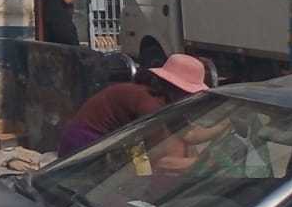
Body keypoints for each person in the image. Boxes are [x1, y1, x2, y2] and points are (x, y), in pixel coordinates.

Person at [57, 53, 209, 158]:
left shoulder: (159, 99)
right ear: (176, 89)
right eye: (189, 93)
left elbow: (188, 134)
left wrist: (221, 126)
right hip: (85, 143)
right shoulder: (150, 104)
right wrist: (197, 164)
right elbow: (159, 153)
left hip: (101, 142)